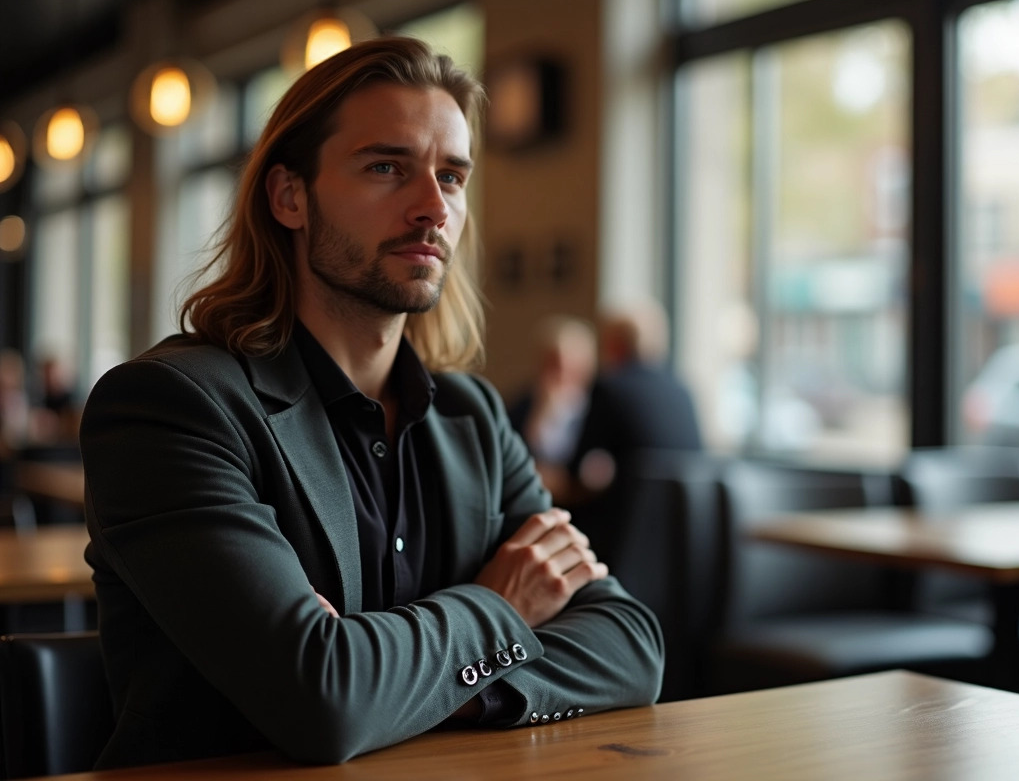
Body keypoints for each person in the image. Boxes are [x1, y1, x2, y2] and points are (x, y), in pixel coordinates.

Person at [80, 38, 664, 770]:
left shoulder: (474, 419)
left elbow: (631, 645)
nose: (433, 207)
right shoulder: (170, 407)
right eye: (387, 167)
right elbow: (320, 702)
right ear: (289, 196)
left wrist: (393, 682)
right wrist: (503, 609)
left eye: (451, 176)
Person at [568, 299, 703, 494]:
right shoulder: (684, 390)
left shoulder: (609, 388)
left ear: (614, 344)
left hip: (626, 517)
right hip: (683, 518)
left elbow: (577, 467)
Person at [507, 315, 597, 501]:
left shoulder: (600, 409)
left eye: (571, 365)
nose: (562, 373)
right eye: (554, 363)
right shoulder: (520, 407)